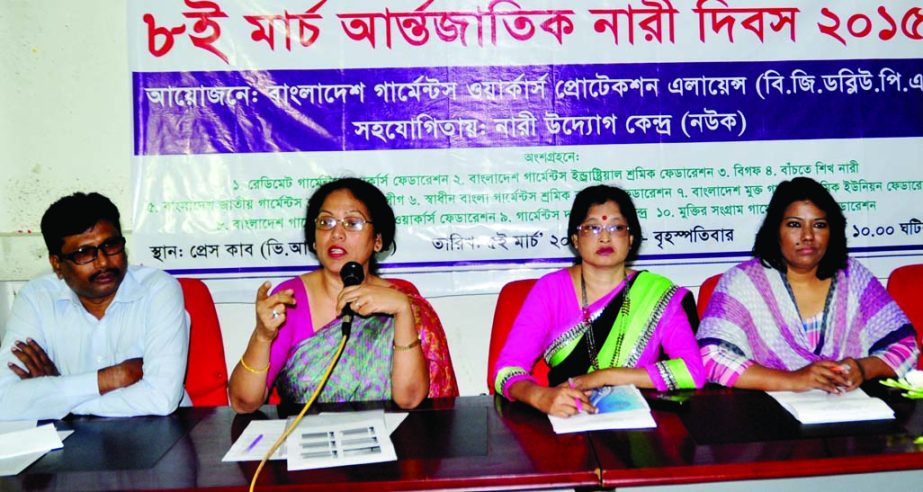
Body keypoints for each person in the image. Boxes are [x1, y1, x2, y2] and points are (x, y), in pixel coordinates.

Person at [229, 178, 458, 412]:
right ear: (314, 239)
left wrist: (403, 312)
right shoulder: (290, 299)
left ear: (377, 240)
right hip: (309, 441)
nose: (336, 233)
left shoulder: (401, 302)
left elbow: (408, 400)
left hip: (388, 440)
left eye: (352, 223)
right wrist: (262, 337)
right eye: (325, 222)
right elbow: (243, 403)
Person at [492, 185, 705, 417]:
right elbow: (506, 371)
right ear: (575, 238)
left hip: (637, 427)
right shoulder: (550, 290)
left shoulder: (656, 293)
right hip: (566, 419)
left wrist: (604, 376)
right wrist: (540, 396)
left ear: (631, 238)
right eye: (592, 227)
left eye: (616, 227)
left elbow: (692, 371)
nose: (604, 237)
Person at [697, 177, 919, 393]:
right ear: (775, 230)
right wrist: (794, 380)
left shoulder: (853, 277)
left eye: (819, 225)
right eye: (794, 225)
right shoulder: (743, 282)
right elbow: (710, 358)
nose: (808, 236)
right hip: (767, 417)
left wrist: (862, 368)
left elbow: (906, 348)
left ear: (832, 232)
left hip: (851, 411)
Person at [0, 192, 190, 420]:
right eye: (84, 253)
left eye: (110, 245)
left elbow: (161, 399)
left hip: (160, 435)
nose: (103, 262)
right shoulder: (36, 298)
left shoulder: (158, 289)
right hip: (73, 444)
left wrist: (56, 397)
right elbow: (4, 401)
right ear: (57, 264)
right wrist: (110, 378)